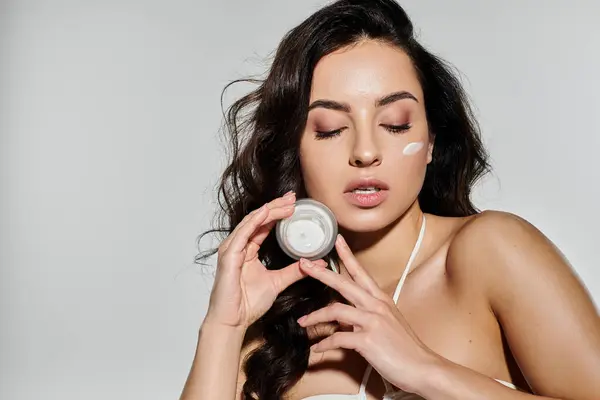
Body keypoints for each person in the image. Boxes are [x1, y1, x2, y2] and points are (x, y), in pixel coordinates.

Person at [180, 1, 600, 399]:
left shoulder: (490, 250)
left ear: (431, 140)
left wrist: (426, 371)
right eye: (330, 129)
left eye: (395, 124)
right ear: (295, 149)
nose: (365, 152)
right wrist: (224, 326)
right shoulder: (270, 330)